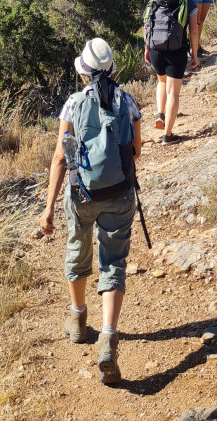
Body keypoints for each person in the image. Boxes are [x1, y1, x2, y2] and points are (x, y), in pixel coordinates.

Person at [38, 37, 142, 386]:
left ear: (83, 72)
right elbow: (136, 151)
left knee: (77, 250)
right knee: (114, 262)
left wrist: (48, 208)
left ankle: (79, 319)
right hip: (120, 193)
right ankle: (109, 338)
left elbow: (59, 158)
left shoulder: (71, 104)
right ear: (112, 68)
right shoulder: (126, 100)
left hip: (81, 193)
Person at [143, 0, 196, 143]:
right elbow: (194, 31)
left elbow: (146, 25)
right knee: (173, 92)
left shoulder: (154, 0)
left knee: (162, 82)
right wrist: (195, 55)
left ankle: (160, 113)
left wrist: (147, 48)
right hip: (176, 50)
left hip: (155, 49)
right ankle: (167, 135)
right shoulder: (188, 3)